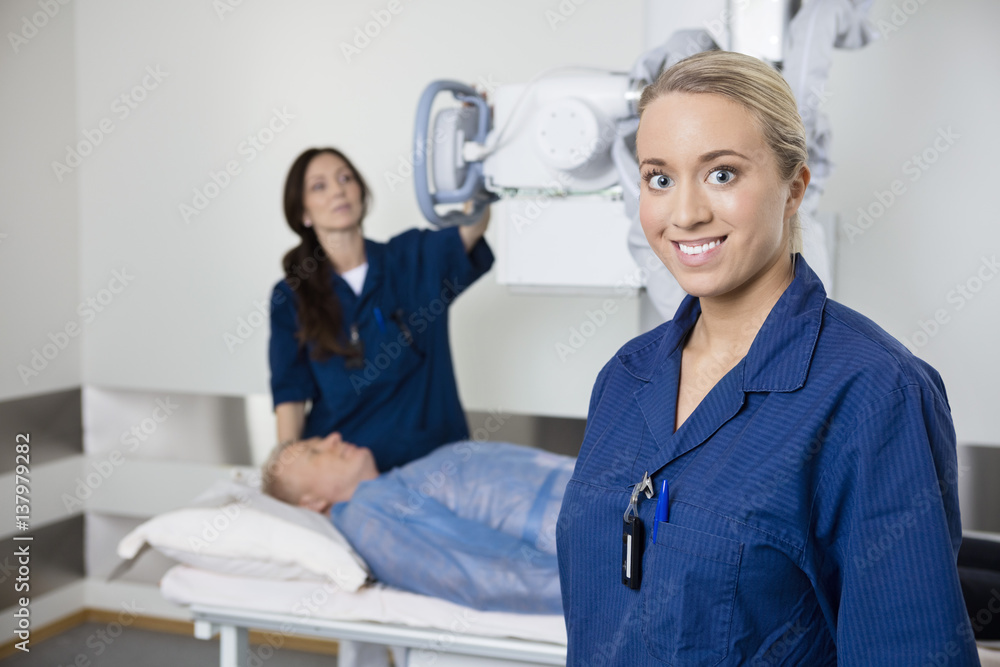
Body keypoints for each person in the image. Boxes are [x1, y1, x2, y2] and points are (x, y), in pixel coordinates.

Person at [556, 51, 978, 665]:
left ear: (793, 189)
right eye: (659, 178)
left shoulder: (873, 394)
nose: (685, 214)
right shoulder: (625, 378)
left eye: (722, 174)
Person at [269, 147, 493, 472]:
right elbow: (289, 396)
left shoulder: (411, 258)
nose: (338, 190)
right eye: (320, 186)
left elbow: (472, 224)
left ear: (361, 191)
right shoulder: (291, 296)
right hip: (349, 478)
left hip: (437, 468)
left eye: (345, 178)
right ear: (302, 212)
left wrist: (475, 144)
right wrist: (290, 476)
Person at [262, 434, 572, 615]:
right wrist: (604, 586)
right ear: (311, 503)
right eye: (315, 452)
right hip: (604, 536)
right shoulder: (367, 516)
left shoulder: (393, 487)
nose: (334, 438)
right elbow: (480, 573)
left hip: (605, 506)